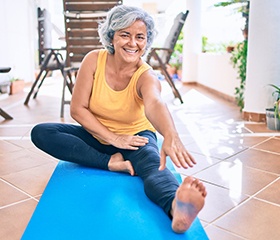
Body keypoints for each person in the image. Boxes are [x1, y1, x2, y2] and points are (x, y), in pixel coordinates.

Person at [31, 5, 207, 233]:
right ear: (111, 36)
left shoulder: (146, 75)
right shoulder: (93, 60)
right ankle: (111, 162)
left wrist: (170, 134)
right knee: (42, 132)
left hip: (136, 139)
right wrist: (113, 138)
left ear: (146, 41)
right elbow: (78, 109)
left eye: (140, 37)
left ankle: (176, 207)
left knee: (154, 167)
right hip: (98, 133)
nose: (132, 43)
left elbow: (155, 102)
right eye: (125, 34)